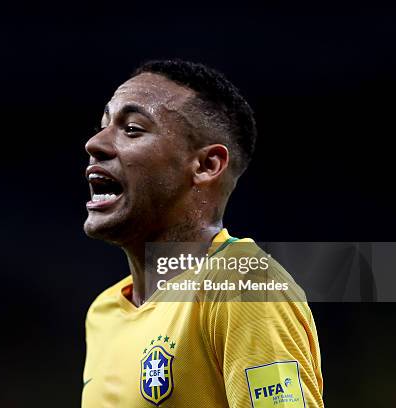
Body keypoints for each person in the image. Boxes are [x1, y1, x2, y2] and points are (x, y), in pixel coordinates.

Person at [81, 60, 323, 407]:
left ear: (207, 165)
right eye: (103, 125)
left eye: (132, 129)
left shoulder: (244, 287)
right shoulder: (103, 312)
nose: (95, 143)